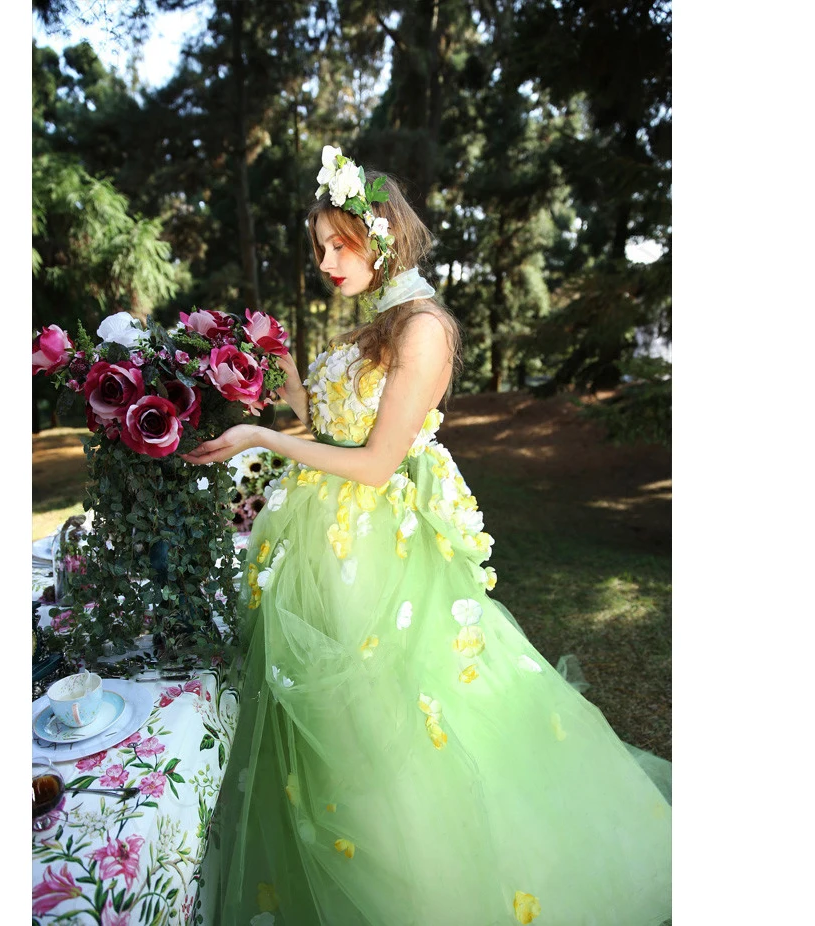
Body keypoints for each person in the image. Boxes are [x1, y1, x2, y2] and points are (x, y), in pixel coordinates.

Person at [182, 145, 672, 926]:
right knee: (334, 730)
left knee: (385, 726)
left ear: (380, 236)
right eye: (320, 249)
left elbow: (375, 464)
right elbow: (328, 425)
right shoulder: (376, 322)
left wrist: (261, 439)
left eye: (339, 245)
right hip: (320, 544)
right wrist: (280, 369)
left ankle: (421, 886)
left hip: (375, 555)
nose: (326, 263)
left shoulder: (424, 330)